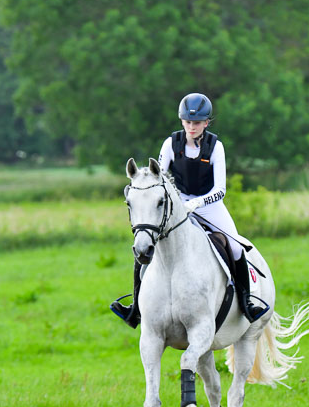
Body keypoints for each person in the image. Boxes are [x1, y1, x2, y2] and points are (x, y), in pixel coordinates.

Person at [110, 92, 269, 327]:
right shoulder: (170, 144)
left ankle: (246, 303)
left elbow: (221, 189)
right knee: (145, 248)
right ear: (182, 121)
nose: (191, 127)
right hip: (177, 206)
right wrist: (175, 203)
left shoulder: (216, 147)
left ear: (206, 123)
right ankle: (135, 307)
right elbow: (159, 179)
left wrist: (198, 203)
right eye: (187, 122)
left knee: (235, 246)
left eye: (196, 122)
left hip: (210, 205)